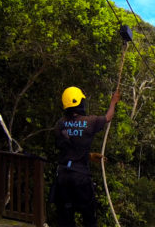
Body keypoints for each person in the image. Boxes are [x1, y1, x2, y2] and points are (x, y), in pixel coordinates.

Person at [54, 86, 120, 227]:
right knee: (89, 217)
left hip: (63, 176)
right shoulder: (90, 122)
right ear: (79, 102)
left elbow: (68, 149)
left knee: (66, 218)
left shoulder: (59, 124)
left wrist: (89, 156)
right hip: (80, 178)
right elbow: (108, 117)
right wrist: (113, 102)